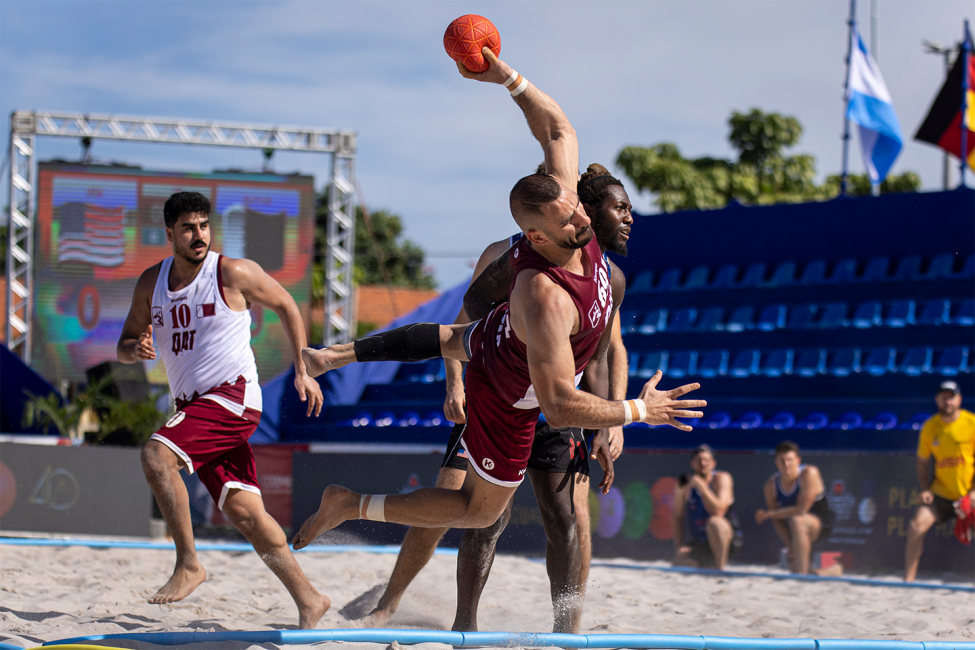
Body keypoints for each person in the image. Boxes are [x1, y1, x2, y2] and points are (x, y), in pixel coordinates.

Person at [292, 48, 704, 554]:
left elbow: (557, 130)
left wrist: (505, 77)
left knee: (455, 337)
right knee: (478, 510)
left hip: (505, 337)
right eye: (568, 221)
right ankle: (348, 504)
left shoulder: (568, 212)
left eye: (577, 208)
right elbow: (557, 403)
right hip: (511, 393)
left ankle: (332, 354)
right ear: (534, 236)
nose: (582, 222)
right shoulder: (542, 294)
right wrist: (638, 410)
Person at [356, 164, 632, 633]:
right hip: (496, 395)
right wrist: (454, 384)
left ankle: (567, 630)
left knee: (568, 517)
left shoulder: (597, 267)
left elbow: (610, 349)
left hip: (557, 404)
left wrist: (611, 422)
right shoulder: (504, 255)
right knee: (465, 508)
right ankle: (403, 603)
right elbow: (459, 326)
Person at [117, 191, 330, 628]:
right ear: (169, 234)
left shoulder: (230, 271)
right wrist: (133, 349)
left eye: (204, 226)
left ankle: (189, 563)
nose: (199, 236)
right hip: (195, 407)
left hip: (232, 398)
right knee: (245, 513)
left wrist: (303, 370)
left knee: (157, 456)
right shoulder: (150, 283)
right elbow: (122, 345)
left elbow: (288, 304)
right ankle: (310, 600)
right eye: (188, 228)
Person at [904, 381, 975, 582]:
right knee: (916, 525)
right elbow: (922, 463)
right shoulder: (930, 427)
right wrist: (925, 489)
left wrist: (974, 491)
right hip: (941, 493)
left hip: (969, 493)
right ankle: (908, 581)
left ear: (959, 399)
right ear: (937, 400)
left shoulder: (971, 423)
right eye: (943, 397)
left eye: (951, 396)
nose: (947, 401)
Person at [754, 441, 835, 575]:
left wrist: (768, 514)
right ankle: (827, 571)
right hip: (794, 529)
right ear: (776, 462)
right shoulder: (771, 484)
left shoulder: (809, 473)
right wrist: (790, 545)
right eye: (782, 461)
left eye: (790, 460)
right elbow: (777, 520)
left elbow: (801, 510)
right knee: (796, 525)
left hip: (821, 524)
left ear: (798, 460)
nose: (787, 464)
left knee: (798, 521)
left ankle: (800, 575)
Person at [672, 444, 738, 570]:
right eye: (698, 460)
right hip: (701, 542)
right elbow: (676, 515)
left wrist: (702, 487)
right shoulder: (685, 483)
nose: (702, 463)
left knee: (715, 522)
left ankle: (719, 568)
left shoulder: (722, 478)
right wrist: (679, 546)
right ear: (692, 463)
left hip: (725, 539)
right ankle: (708, 567)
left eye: (706, 460)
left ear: (713, 463)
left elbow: (718, 511)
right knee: (679, 562)